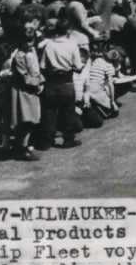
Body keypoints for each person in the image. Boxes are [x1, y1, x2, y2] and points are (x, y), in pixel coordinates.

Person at [40, 13, 83, 149]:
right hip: (67, 81)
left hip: (52, 81)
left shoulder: (49, 46)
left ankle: (47, 139)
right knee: (68, 111)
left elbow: (42, 66)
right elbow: (78, 67)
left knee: (49, 111)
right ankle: (68, 139)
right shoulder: (72, 45)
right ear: (68, 31)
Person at [9, 19, 43, 160]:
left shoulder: (32, 50)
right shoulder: (19, 56)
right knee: (26, 121)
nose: (29, 44)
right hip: (23, 91)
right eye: (26, 41)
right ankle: (22, 148)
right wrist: (39, 82)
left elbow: (36, 69)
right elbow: (25, 77)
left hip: (32, 90)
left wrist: (40, 81)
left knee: (30, 120)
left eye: (31, 40)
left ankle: (23, 145)